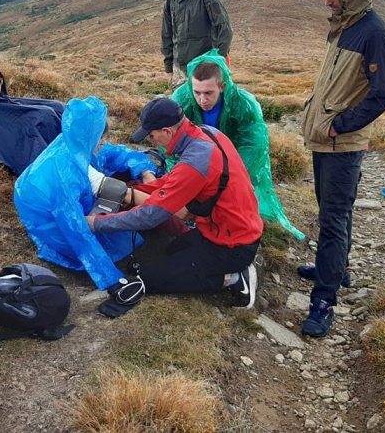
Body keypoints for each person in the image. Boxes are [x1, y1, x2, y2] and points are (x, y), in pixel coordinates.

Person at [86, 98, 263, 314]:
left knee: (149, 279)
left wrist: (97, 223)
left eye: (152, 136)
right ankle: (226, 267)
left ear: (167, 131)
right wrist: (127, 192)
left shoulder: (194, 162)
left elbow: (149, 216)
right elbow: (172, 184)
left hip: (232, 244)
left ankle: (235, 279)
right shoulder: (206, 133)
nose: (153, 142)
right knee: (172, 249)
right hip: (228, 228)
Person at [299, 0, 385, 338]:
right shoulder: (344, 27)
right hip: (325, 137)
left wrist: (341, 125)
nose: (327, 2)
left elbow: (382, 94)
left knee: (333, 220)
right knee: (332, 210)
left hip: (341, 142)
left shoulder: (374, 33)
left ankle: (324, 300)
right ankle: (338, 270)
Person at [14, 96, 158, 306]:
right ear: (91, 135)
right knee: (110, 229)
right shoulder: (65, 175)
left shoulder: (75, 142)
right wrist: (112, 281)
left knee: (119, 188)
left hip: (48, 201)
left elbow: (118, 153)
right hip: (48, 221)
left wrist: (146, 171)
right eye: (100, 138)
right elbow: (75, 230)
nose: (102, 143)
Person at [170, 49, 304, 240]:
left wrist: (226, 179)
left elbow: (254, 147)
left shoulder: (244, 104)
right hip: (196, 155)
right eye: (197, 92)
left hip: (232, 157)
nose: (202, 100)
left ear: (222, 86)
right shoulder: (181, 101)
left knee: (231, 197)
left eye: (209, 93)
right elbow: (170, 144)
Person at [161, 0, 233, 91]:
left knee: (207, 109)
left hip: (206, 71)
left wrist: (216, 63)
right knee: (180, 111)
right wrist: (169, 69)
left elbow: (225, 31)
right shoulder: (170, 2)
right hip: (179, 73)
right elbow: (166, 37)